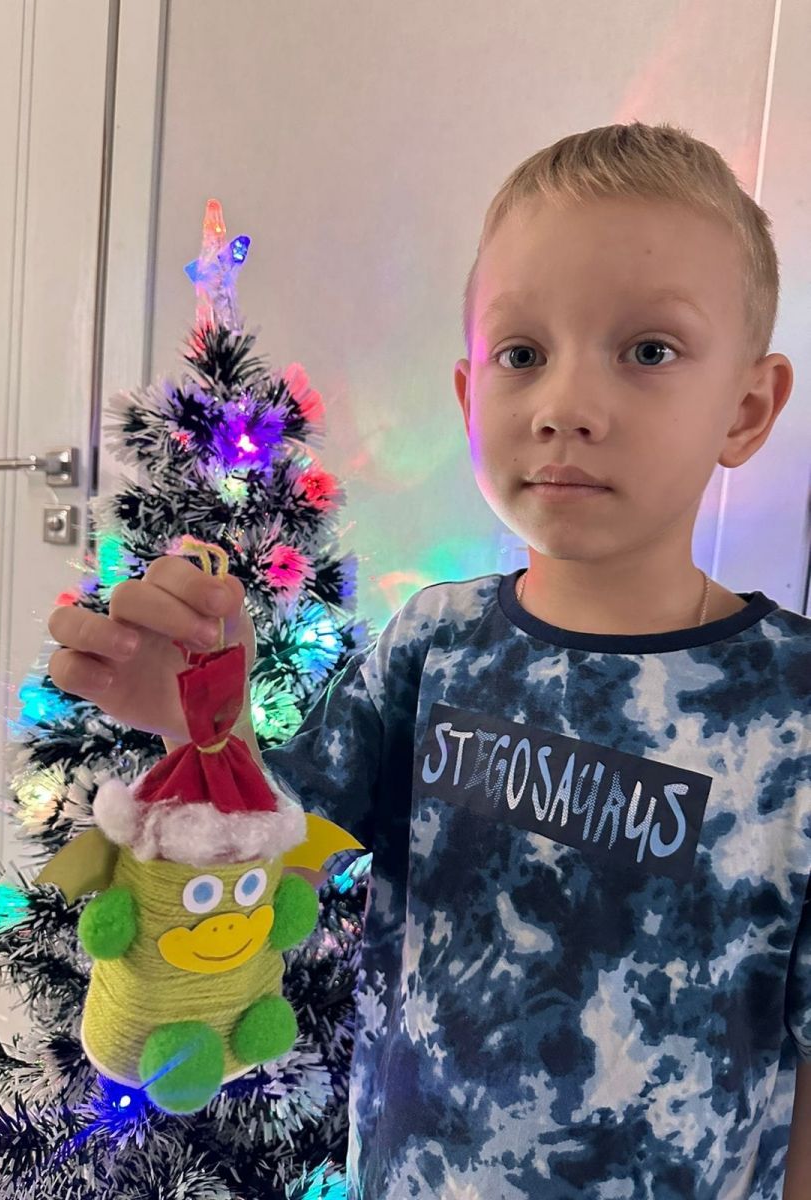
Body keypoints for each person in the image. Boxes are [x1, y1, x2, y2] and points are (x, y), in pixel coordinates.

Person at [47, 121, 810, 1199]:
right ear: (468, 397)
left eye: (649, 351)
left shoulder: (791, 707)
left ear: (746, 407)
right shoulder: (433, 643)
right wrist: (200, 726)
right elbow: (282, 855)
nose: (565, 409)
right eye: (522, 354)